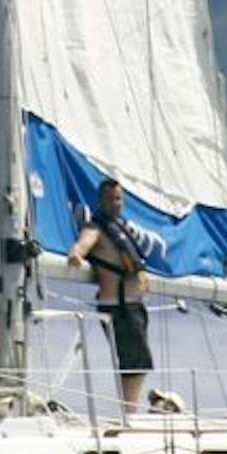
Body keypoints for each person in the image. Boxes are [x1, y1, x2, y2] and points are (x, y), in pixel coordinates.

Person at [67, 177, 158, 419]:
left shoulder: (120, 227)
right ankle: (130, 414)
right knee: (136, 361)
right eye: (109, 198)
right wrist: (76, 255)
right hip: (119, 306)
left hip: (133, 305)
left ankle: (131, 411)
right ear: (100, 201)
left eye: (118, 198)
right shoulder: (96, 228)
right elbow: (83, 244)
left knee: (138, 361)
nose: (114, 203)